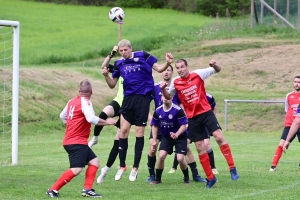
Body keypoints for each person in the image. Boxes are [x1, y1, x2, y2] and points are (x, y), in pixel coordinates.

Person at [161, 58, 239, 189]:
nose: (180, 70)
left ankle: (232, 167)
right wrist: (163, 89)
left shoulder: (198, 74)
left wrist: (215, 64)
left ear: (187, 67)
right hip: (192, 118)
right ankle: (210, 178)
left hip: (206, 112)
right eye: (178, 68)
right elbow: (168, 96)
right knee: (199, 146)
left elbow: (217, 70)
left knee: (219, 136)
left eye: (182, 67)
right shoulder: (175, 82)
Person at [103, 39, 173, 182]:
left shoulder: (143, 55)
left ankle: (135, 168)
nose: (123, 53)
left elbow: (159, 68)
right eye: (121, 51)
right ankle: (122, 165)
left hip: (142, 98)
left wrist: (168, 63)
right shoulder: (119, 63)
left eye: (125, 50)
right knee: (123, 131)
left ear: (131, 48)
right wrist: (106, 75)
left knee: (139, 132)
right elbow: (112, 84)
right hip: (128, 99)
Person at [46, 79, 116, 198]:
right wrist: (107, 122)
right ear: (91, 92)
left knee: (94, 162)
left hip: (73, 140)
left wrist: (72, 125)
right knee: (77, 169)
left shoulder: (71, 101)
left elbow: (62, 116)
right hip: (76, 142)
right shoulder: (86, 102)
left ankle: (87, 189)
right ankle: (52, 190)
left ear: (79, 91)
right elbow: (91, 119)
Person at [146, 66, 206, 183]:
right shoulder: (155, 87)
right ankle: (153, 176)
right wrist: (150, 118)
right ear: (161, 72)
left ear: (172, 72)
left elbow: (183, 103)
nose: (166, 72)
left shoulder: (177, 86)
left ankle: (195, 175)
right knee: (153, 148)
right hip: (160, 121)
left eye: (168, 70)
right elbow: (146, 103)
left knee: (186, 149)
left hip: (177, 123)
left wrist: (186, 118)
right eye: (164, 70)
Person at [168, 92, 219, 175]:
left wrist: (210, 122)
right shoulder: (178, 94)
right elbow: (175, 107)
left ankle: (213, 168)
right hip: (187, 124)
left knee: (206, 144)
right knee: (184, 144)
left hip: (201, 124)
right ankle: (174, 167)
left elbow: (214, 107)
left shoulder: (205, 95)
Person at [150, 95, 190, 184]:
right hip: (167, 137)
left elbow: (184, 125)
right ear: (161, 98)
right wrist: (154, 140)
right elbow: (155, 125)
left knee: (180, 159)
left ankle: (186, 178)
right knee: (161, 156)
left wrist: (177, 134)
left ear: (172, 98)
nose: (166, 98)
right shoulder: (158, 111)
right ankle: (158, 179)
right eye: (164, 96)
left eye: (168, 96)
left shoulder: (178, 110)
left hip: (180, 136)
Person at [269, 75, 300, 171]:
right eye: (295, 82)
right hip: (290, 125)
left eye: (299, 82)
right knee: (282, 143)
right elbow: (287, 110)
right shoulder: (289, 96)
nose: (296, 84)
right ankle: (273, 166)